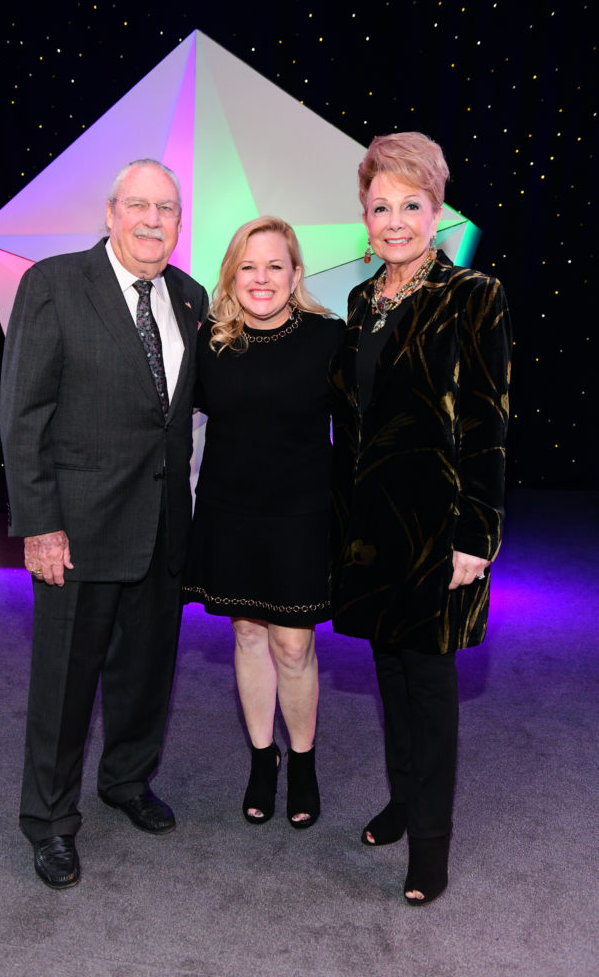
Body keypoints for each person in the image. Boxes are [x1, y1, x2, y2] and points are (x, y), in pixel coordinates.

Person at [0, 158, 208, 889]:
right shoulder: (54, 284)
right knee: (63, 682)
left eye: (168, 209)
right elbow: (23, 415)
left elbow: (178, 420)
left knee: (145, 672)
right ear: (113, 212)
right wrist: (39, 524)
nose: (154, 220)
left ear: (179, 224)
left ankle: (126, 780)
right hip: (77, 530)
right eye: (140, 206)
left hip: (161, 528)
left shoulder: (189, 296)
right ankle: (50, 821)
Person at [329, 132, 512, 904]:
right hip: (372, 528)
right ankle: (402, 800)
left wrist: (477, 534)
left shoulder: (472, 295)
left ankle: (429, 845)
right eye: (381, 207)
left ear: (436, 212)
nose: (395, 221)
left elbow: (487, 421)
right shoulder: (358, 300)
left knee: (428, 685)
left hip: (440, 529)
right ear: (363, 217)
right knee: (388, 675)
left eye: (411, 205)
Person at [183, 217, 344, 829]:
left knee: (293, 643)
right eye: (248, 266)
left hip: (301, 516)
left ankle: (302, 763)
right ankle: (261, 759)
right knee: (247, 636)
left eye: (275, 265)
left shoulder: (329, 338)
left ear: (296, 274)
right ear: (231, 275)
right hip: (230, 511)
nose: (262, 278)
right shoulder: (212, 342)